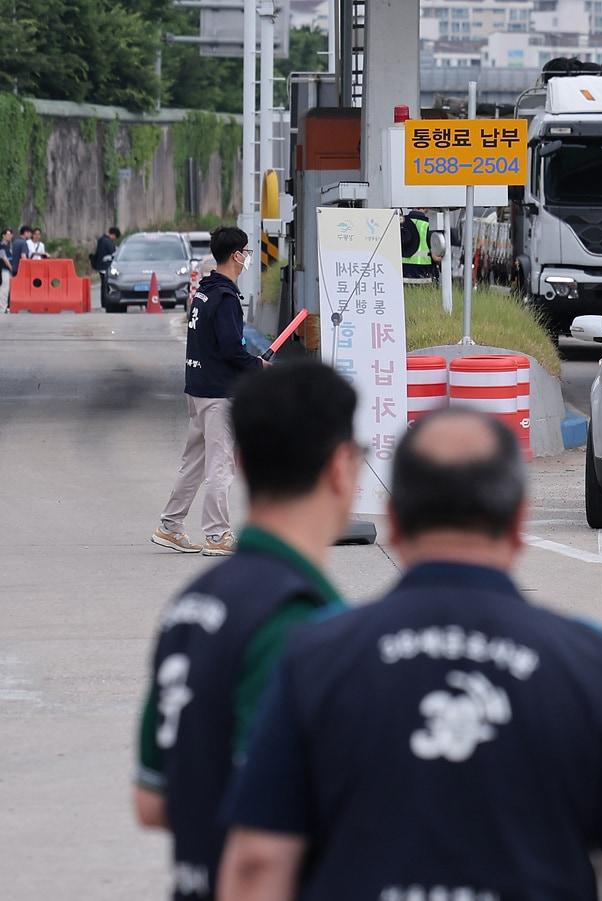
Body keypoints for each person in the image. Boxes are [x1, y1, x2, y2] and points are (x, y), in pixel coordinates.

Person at [219, 409, 602, 901]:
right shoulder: (591, 664)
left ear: (395, 523)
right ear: (518, 521)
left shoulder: (314, 656)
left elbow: (259, 861)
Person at [133, 360, 358, 900]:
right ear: (339, 468)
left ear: (240, 463)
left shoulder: (190, 606)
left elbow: (153, 800)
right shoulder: (306, 621)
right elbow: (262, 848)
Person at [152, 226, 267, 557]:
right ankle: (217, 535)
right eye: (246, 252)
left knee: (194, 463)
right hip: (218, 394)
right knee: (220, 465)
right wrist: (258, 366)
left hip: (198, 388)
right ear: (236, 255)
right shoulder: (226, 298)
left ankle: (170, 526)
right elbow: (231, 349)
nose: (248, 258)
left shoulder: (204, 293)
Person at [400, 206, 435, 281]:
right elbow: (436, 257)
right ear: (426, 207)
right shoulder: (429, 225)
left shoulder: (400, 223)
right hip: (423, 275)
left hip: (400, 274)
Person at [93, 226, 119, 297]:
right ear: (113, 235)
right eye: (115, 237)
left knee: (104, 286)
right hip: (105, 267)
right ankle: (105, 299)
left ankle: (104, 299)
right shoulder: (107, 242)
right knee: (106, 286)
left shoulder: (102, 240)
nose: (114, 239)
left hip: (101, 266)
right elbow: (112, 253)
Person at [1, 228, 12, 313]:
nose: (10, 236)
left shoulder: (8, 246)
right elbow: (4, 258)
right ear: (3, 236)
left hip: (8, 271)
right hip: (4, 270)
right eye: (8, 234)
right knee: (4, 289)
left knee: (7, 289)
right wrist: (11, 267)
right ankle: (2, 308)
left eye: (10, 234)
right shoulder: (1, 245)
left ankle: (5, 307)